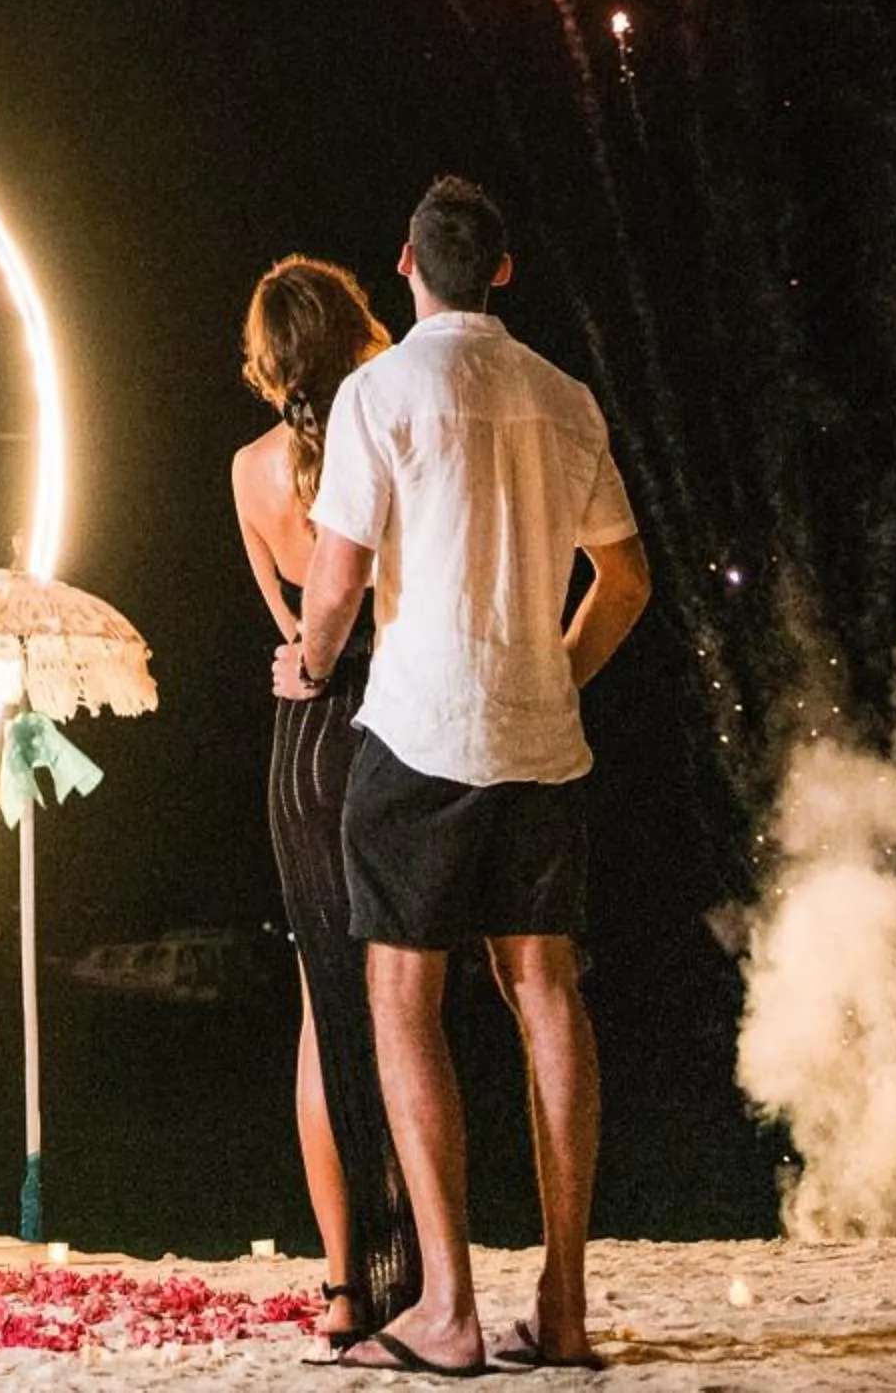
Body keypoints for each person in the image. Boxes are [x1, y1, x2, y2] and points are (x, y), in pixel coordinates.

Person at [275, 176, 651, 1376]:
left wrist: (307, 662)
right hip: (541, 737)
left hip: (420, 734)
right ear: (500, 268)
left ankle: (447, 1307)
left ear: (406, 263)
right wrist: (556, 672)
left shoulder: (378, 393)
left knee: (403, 1002)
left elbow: (334, 587)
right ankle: (568, 1303)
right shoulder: (565, 397)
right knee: (547, 992)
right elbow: (628, 580)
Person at [232, 256, 416, 1351]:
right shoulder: (386, 438)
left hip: (298, 742)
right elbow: (383, 603)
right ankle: (414, 1261)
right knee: (399, 1000)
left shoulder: (249, 470)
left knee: (322, 1012)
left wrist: (309, 655)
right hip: (388, 718)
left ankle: (346, 1285)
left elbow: (292, 634)